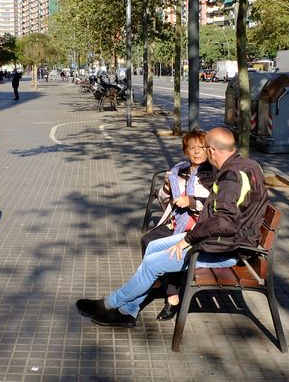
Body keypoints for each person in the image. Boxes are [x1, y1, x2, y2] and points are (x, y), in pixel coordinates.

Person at [76, 127, 270, 328]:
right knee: (152, 247)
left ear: (211, 151)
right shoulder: (248, 165)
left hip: (226, 250)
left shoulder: (231, 177)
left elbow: (225, 222)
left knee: (152, 264)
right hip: (223, 242)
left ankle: (109, 304)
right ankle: (128, 312)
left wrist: (188, 239)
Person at [141, 129, 214, 320]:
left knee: (175, 250)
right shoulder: (179, 171)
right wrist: (166, 186)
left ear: (208, 150)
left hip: (199, 227)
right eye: (192, 148)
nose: (197, 152)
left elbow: (213, 204)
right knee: (148, 239)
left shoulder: (211, 174)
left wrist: (191, 201)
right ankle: (157, 284)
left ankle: (173, 298)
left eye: (201, 147)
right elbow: (165, 201)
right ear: (185, 151)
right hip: (176, 222)